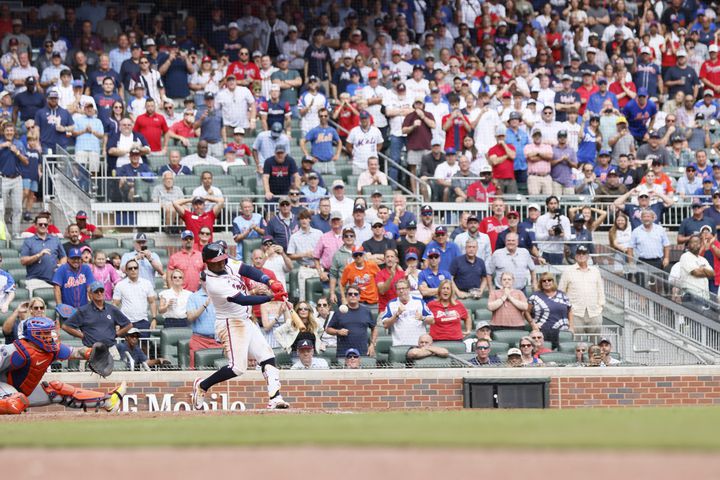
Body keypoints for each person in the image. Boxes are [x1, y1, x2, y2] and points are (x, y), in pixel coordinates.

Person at [191, 243, 290, 410]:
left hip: (245, 319)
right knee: (237, 368)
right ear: (208, 262)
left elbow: (247, 270)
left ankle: (275, 397)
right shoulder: (214, 283)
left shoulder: (226, 262)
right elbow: (241, 299)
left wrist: (269, 280)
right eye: (217, 261)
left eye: (223, 259)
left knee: (267, 356)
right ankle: (203, 385)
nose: (222, 263)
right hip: (230, 322)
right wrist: (271, 297)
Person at [0, 317, 126, 415]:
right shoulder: (16, 351)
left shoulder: (52, 349)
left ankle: (108, 401)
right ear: (35, 335)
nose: (52, 336)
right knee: (14, 403)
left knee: (56, 390)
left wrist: (89, 352)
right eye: (47, 333)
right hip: (5, 390)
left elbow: (76, 352)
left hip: (23, 393)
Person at [62, 280, 132, 352]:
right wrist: (83, 336)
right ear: (90, 294)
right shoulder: (83, 310)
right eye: (96, 291)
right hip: (90, 349)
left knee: (116, 363)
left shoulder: (112, 309)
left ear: (104, 292)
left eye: (101, 291)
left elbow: (129, 325)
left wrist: (116, 334)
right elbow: (66, 326)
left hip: (110, 349)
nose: (99, 293)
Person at [558, 246, 606, 342]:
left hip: (594, 312)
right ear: (575, 256)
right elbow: (561, 292)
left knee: (595, 343)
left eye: (584, 253)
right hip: (575, 312)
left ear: (588, 256)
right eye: (579, 253)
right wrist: (566, 310)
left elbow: (600, 290)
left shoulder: (595, 271)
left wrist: (601, 306)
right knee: (576, 343)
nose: (581, 256)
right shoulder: (568, 271)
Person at [326, 285, 377, 358]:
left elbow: (374, 328)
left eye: (355, 294)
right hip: (343, 353)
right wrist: (338, 331)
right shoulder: (339, 312)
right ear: (346, 297)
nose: (353, 296)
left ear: (359, 297)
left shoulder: (366, 311)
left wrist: (372, 345)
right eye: (350, 294)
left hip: (362, 352)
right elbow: (328, 329)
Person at [21, 215, 67, 296]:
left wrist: (61, 265)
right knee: (36, 307)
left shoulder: (55, 239)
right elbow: (23, 261)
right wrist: (38, 255)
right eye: (40, 224)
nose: (43, 226)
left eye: (45, 224)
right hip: (35, 280)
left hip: (54, 280)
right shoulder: (28, 241)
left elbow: (63, 256)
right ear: (35, 225)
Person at [186, 271, 222, 369]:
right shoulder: (193, 297)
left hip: (218, 341)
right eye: (206, 279)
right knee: (195, 372)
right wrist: (204, 305)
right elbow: (190, 317)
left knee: (221, 372)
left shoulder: (220, 296)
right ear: (200, 281)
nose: (208, 282)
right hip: (199, 341)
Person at [382, 278, 433, 347]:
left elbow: (432, 321)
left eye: (403, 288)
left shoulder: (419, 302)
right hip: (399, 344)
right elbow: (385, 325)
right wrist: (396, 315)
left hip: (418, 344)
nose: (401, 291)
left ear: (409, 289)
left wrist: (422, 318)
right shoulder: (392, 304)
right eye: (399, 289)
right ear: (396, 291)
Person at [528, 273, 574, 349]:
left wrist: (571, 327)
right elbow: (526, 312)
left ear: (553, 281)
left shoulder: (562, 295)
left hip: (562, 330)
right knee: (545, 352)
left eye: (549, 280)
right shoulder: (535, 296)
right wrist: (532, 324)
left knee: (561, 352)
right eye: (544, 281)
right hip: (543, 330)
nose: (547, 282)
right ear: (541, 283)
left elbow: (569, 310)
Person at [112, 258, 157, 334]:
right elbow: (115, 304)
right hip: (125, 322)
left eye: (135, 268)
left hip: (143, 321)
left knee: (144, 345)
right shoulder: (120, 285)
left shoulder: (147, 283)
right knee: (126, 345)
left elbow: (152, 302)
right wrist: (116, 322)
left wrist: (154, 319)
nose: (133, 270)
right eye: (130, 268)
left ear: (138, 269)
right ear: (126, 271)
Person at [0, 123, 29, 236]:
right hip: (3, 179)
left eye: (11, 130)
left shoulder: (19, 143)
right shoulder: (1, 142)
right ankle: (4, 234)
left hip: (17, 179)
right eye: (7, 130)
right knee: (1, 209)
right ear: (3, 132)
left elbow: (26, 162)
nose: (9, 132)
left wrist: (16, 152)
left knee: (18, 208)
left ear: (14, 132)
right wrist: (2, 146)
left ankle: (16, 234)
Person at [288, 210, 323, 301]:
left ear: (310, 220)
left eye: (306, 218)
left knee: (321, 295)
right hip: (304, 268)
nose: (304, 221)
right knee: (303, 297)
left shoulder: (318, 233)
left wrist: (316, 254)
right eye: (302, 218)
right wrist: (304, 254)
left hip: (318, 267)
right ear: (299, 220)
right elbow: (290, 255)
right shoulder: (294, 237)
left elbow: (325, 250)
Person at [535, 195, 571, 265]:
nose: (553, 205)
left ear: (558, 204)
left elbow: (568, 238)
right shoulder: (541, 218)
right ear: (547, 205)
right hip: (545, 251)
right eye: (551, 203)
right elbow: (537, 237)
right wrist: (548, 234)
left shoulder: (565, 219)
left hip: (559, 252)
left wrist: (563, 235)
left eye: (555, 203)